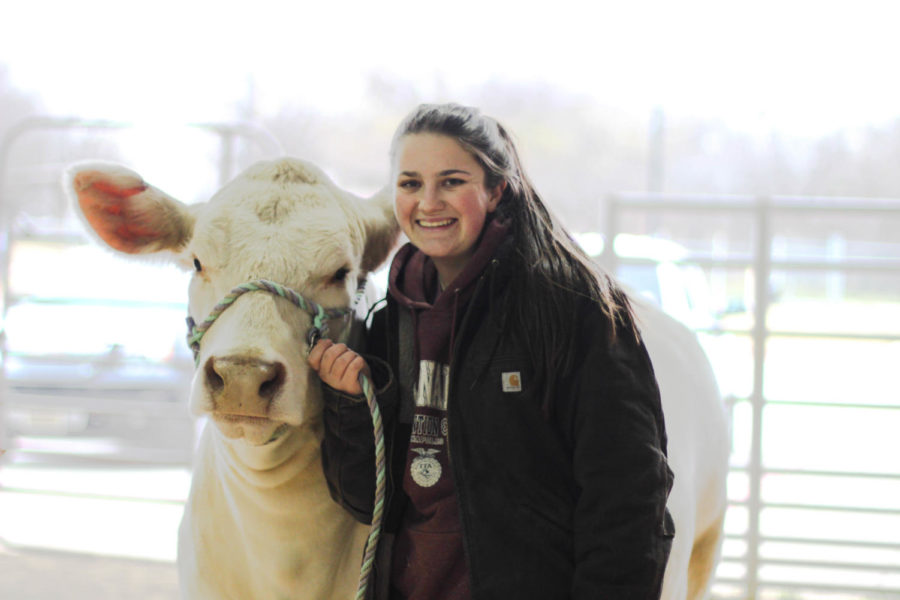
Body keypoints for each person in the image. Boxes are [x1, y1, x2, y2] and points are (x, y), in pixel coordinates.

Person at [308, 103, 674, 600]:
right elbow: (368, 502)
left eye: (452, 181)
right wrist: (352, 407)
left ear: (497, 189)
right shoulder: (389, 321)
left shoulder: (574, 312)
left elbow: (629, 501)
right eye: (410, 183)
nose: (428, 202)